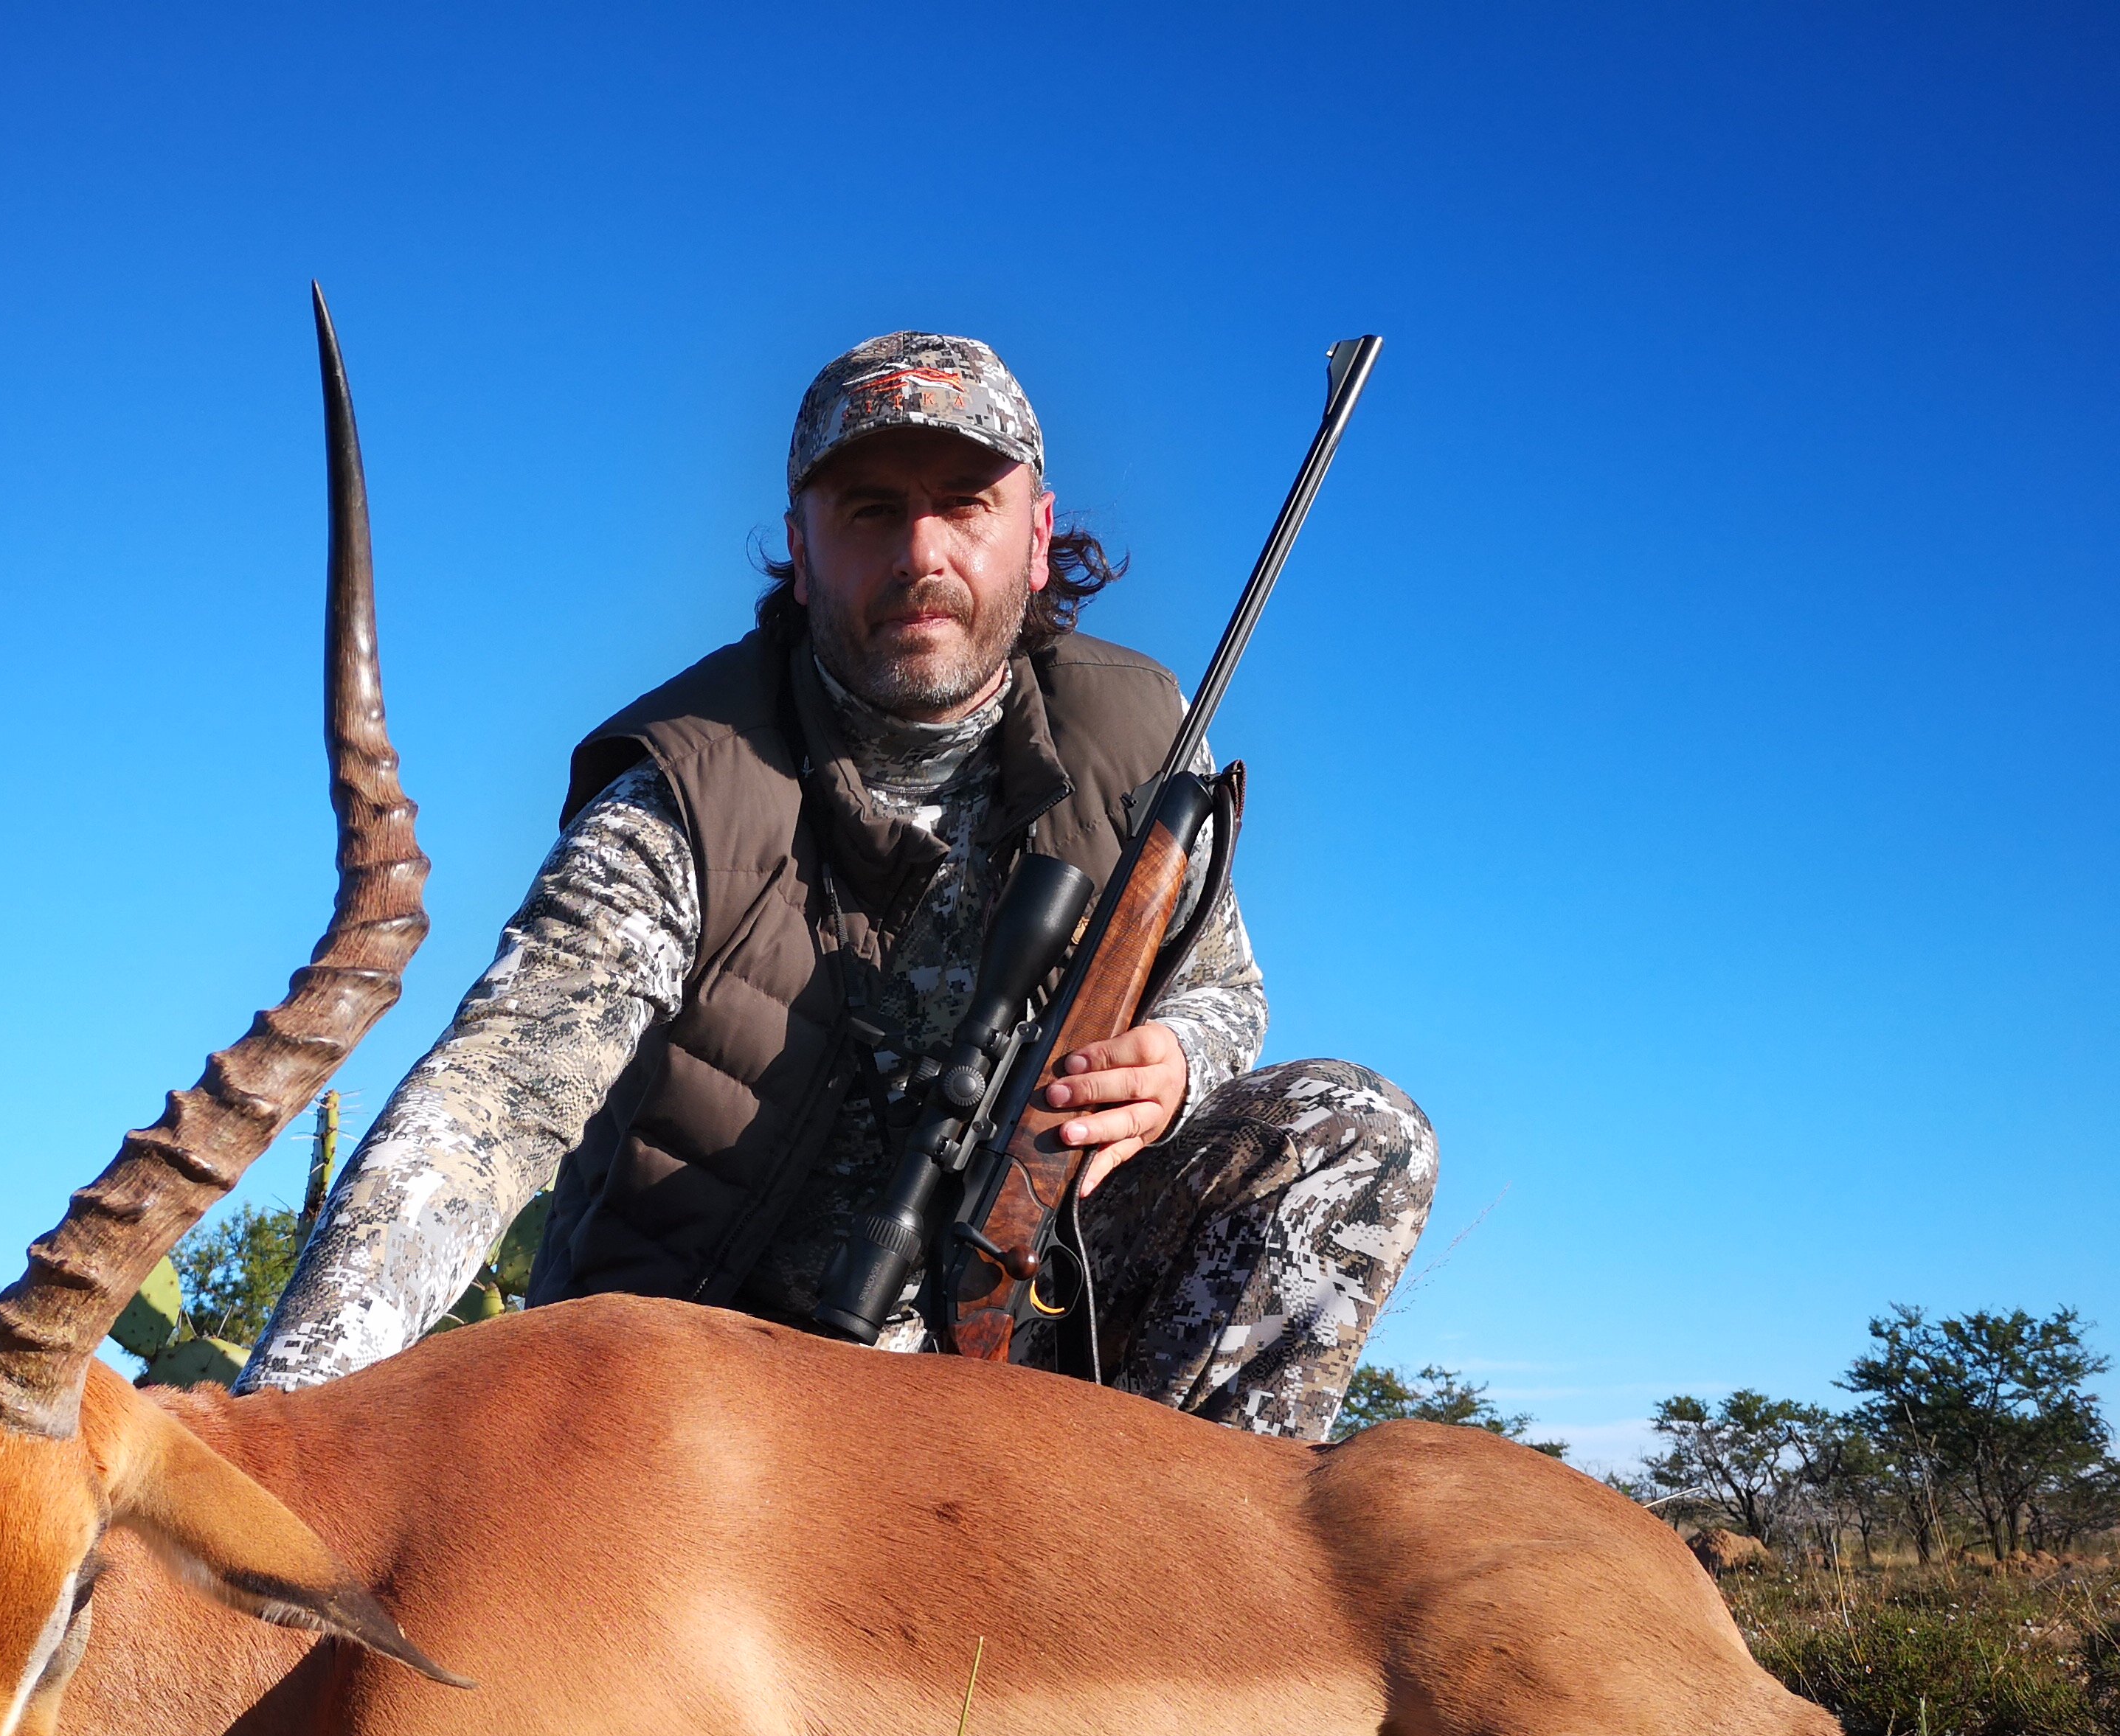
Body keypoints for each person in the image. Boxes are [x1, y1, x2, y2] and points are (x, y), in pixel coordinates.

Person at [241, 331, 1435, 1440]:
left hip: (1027, 1306)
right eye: (870, 512)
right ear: (802, 550)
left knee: (1353, 1134)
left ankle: (1180, 1589)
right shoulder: (683, 786)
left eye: (966, 505)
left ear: (1035, 532)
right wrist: (284, 1425)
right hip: (734, 1376)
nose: (923, 556)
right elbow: (494, 1101)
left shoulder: (1145, 735)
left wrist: (1178, 1061)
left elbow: (1224, 989)